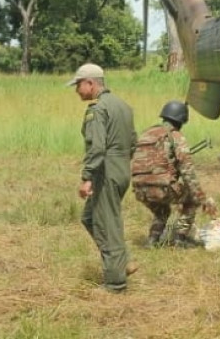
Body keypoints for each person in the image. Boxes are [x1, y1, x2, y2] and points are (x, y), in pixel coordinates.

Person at [68, 62, 136, 292]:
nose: (76, 90)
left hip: (105, 172)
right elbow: (133, 141)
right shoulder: (124, 106)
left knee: (107, 226)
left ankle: (115, 283)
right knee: (89, 217)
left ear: (90, 83)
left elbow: (96, 147)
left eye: (78, 85)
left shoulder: (98, 110)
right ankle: (123, 261)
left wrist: (87, 177)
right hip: (122, 169)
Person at [131, 100, 218, 248]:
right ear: (182, 120)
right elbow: (188, 172)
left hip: (139, 189)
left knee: (162, 211)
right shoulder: (175, 136)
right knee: (192, 200)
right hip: (161, 188)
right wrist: (201, 198)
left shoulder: (147, 134)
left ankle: (152, 240)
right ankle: (180, 240)